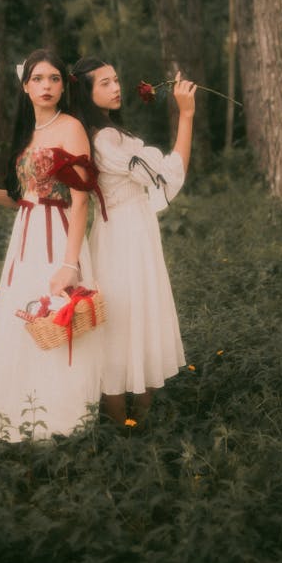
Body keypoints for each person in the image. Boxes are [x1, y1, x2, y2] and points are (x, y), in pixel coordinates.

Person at [0, 48, 104, 441]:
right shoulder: (27, 133)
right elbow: (23, 198)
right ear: (25, 87)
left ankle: (60, 410)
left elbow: (81, 198)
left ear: (62, 86)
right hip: (26, 233)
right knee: (24, 317)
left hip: (58, 234)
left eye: (53, 78)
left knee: (56, 315)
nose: (46, 86)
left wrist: (70, 263)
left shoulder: (72, 127)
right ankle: (19, 402)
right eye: (38, 79)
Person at [69, 56, 196, 426]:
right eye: (104, 83)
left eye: (116, 79)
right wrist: (185, 116)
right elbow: (171, 174)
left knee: (137, 318)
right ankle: (126, 429)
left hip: (132, 232)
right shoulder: (104, 139)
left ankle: (137, 423)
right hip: (124, 237)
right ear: (87, 93)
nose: (116, 87)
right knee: (125, 322)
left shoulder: (107, 134)